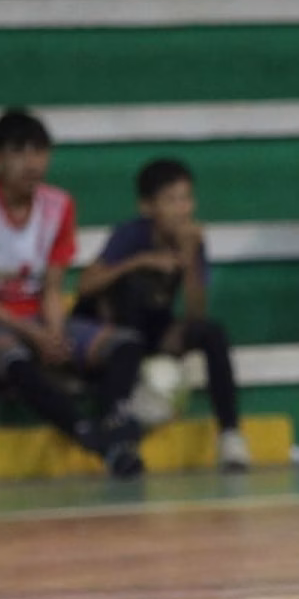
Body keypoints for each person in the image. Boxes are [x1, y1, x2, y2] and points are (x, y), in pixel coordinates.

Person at [0, 109, 146, 479]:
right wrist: (35, 336)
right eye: (19, 152)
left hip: (37, 314)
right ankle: (91, 437)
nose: (31, 163)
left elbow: (52, 287)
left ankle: (112, 418)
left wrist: (53, 332)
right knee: (16, 361)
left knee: (125, 345)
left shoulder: (59, 206)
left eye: (38, 152)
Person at [74, 159, 251, 472]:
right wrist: (140, 261)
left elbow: (195, 311)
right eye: (171, 200)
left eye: (186, 199)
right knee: (133, 287)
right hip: (115, 331)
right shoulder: (131, 236)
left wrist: (190, 259)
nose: (182, 209)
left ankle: (230, 435)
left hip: (155, 329)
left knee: (211, 332)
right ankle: (120, 426)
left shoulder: (192, 241)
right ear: (147, 206)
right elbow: (86, 285)